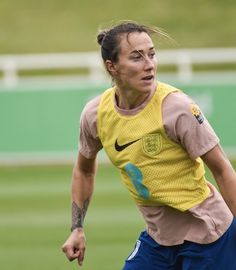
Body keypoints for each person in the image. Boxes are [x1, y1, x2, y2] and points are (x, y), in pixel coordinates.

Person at [62, 21, 236, 269]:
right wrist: (77, 228)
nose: (149, 64)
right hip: (158, 240)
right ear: (112, 67)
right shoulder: (95, 115)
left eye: (152, 54)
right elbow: (84, 170)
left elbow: (222, 169)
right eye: (136, 57)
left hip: (210, 237)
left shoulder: (178, 108)